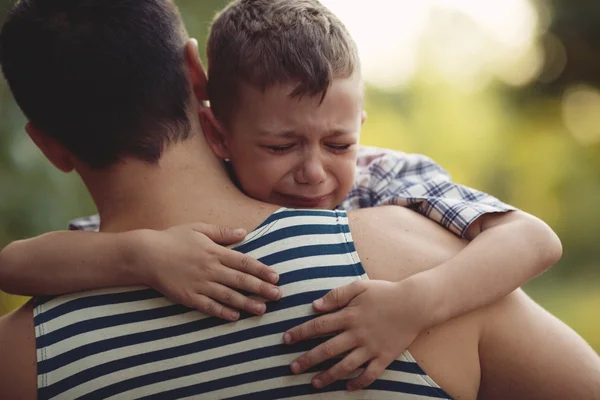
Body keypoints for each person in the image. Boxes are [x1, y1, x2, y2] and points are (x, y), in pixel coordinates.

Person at [1, 0, 599, 398]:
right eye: (283, 143)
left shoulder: (22, 357)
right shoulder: (419, 250)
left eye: (339, 142)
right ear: (196, 75)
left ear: (48, 145)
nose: (314, 172)